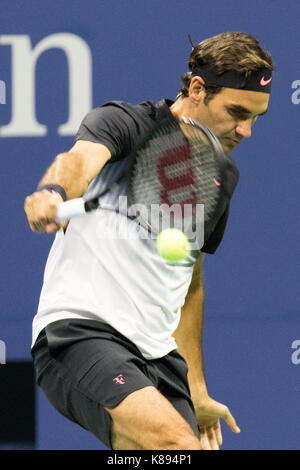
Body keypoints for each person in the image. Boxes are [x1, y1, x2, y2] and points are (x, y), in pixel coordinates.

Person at [24, 32, 274, 450]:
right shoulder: (128, 123)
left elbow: (189, 281)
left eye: (256, 118)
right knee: (178, 449)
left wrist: (195, 387)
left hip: (158, 358)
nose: (246, 130)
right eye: (237, 112)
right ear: (197, 89)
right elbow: (78, 162)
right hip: (82, 335)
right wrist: (54, 192)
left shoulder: (221, 176)